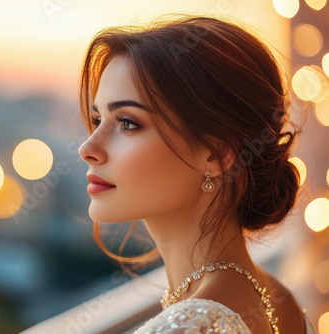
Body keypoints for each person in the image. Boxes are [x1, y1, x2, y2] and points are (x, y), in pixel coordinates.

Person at [77, 14, 318, 334]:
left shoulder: (192, 326)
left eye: (127, 123)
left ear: (216, 155)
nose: (88, 147)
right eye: (97, 120)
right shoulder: (278, 296)